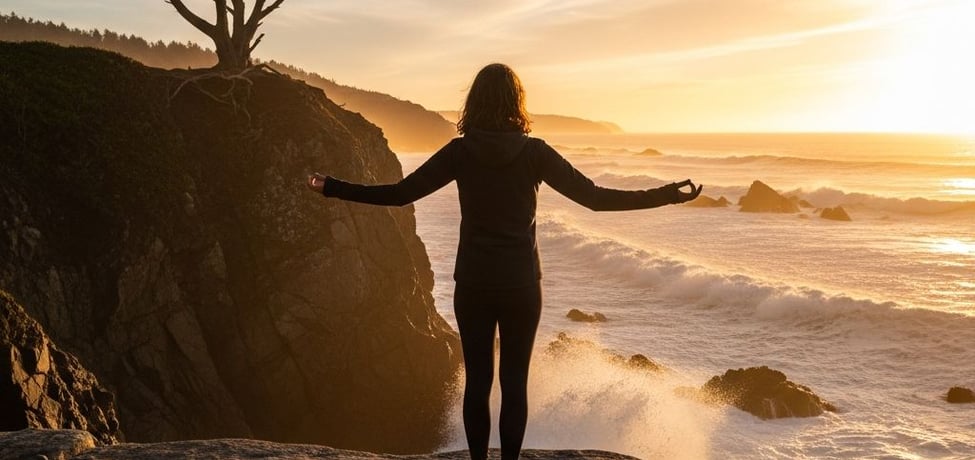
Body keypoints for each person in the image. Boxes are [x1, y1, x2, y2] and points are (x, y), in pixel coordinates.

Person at [306, 63, 702, 460]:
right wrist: (665, 194)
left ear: (474, 102)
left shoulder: (461, 152)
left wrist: (333, 187)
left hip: (474, 284)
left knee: (478, 383)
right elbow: (595, 199)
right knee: (515, 384)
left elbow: (399, 194)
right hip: (521, 285)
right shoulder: (534, 154)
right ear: (518, 101)